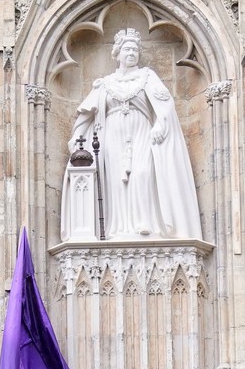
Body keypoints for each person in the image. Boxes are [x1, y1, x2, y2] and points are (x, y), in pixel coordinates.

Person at [65, 27, 202, 242]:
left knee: (142, 174)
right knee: (116, 181)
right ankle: (117, 228)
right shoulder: (105, 83)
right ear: (117, 54)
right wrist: (77, 136)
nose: (132, 53)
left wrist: (160, 124)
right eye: (127, 49)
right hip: (111, 135)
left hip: (142, 132)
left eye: (135, 50)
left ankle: (144, 222)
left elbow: (165, 104)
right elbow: (86, 113)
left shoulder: (147, 77)